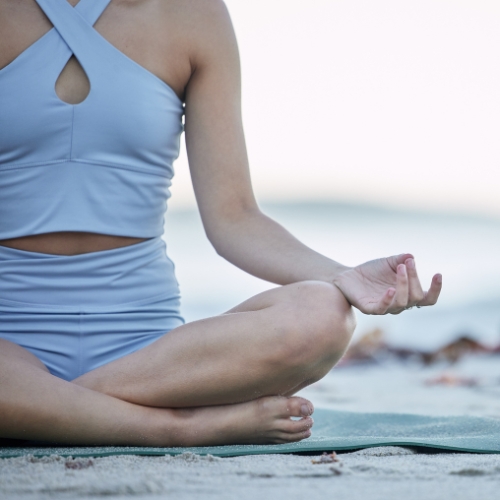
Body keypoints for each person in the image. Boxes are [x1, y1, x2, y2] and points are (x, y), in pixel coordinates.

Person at [0, 0, 441, 447]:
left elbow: (235, 217)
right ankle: (178, 428)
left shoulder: (194, 14)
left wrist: (341, 277)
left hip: (148, 356)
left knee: (323, 314)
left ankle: (40, 410)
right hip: (7, 340)